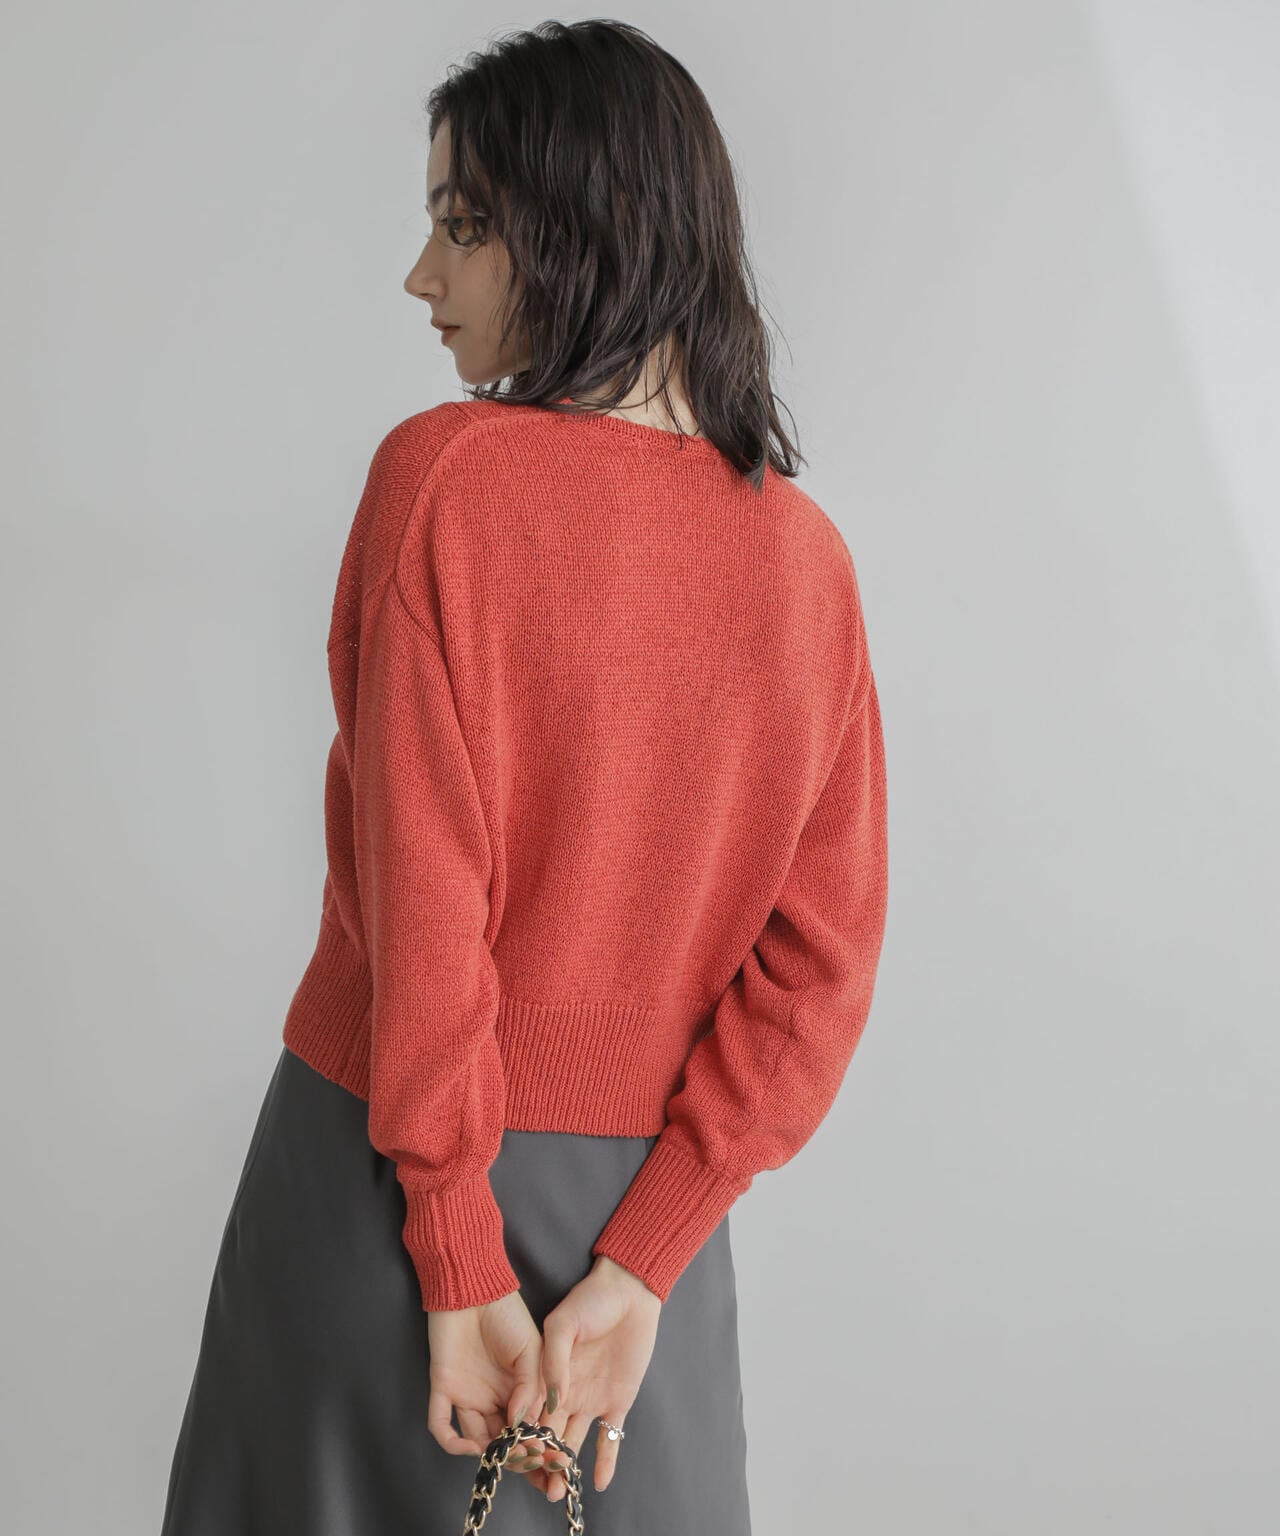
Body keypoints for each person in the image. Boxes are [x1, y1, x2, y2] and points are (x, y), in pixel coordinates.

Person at [160, 18, 888, 1535]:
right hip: (643, 1248)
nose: (422, 277)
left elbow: (424, 905)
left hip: (391, 1178)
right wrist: (647, 1256)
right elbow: (820, 971)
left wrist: (452, 1242)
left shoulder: (446, 479)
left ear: (578, 229)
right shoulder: (806, 565)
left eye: (463, 225)